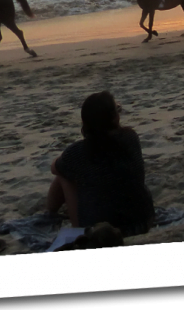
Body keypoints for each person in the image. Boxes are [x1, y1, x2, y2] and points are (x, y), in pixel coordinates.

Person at [46, 91, 155, 236]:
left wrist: (64, 159)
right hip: (143, 221)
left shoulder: (78, 152)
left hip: (100, 229)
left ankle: (49, 213)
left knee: (63, 174)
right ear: (115, 118)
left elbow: (54, 168)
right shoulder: (130, 138)